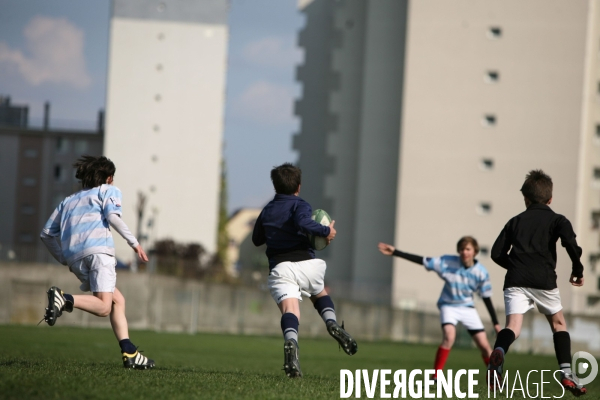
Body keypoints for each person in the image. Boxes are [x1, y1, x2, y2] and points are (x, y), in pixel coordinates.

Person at [39, 155, 155, 370]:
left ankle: (130, 352)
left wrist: (64, 258)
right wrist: (135, 243)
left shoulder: (68, 200)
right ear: (109, 178)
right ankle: (64, 299)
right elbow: (112, 217)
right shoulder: (107, 190)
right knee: (103, 307)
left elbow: (46, 234)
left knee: (116, 301)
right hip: (99, 252)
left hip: (75, 258)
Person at [252, 163, 358, 378]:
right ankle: (331, 323)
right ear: (298, 187)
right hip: (308, 266)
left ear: (275, 186)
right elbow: (302, 223)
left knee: (290, 310)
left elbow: (256, 240)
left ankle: (291, 342)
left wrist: (274, 229)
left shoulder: (267, 210)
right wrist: (327, 231)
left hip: (282, 268)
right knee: (320, 294)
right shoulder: (301, 205)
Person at [488, 170, 586, 395]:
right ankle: (566, 374)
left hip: (515, 280)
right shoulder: (558, 219)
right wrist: (577, 269)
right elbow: (570, 243)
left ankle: (499, 353)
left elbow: (496, 253)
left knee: (512, 327)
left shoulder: (514, 221)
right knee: (559, 324)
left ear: (525, 198)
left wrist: (515, 266)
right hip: (544, 279)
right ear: (550, 198)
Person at [378, 236, 501, 379]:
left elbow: (486, 298)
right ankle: (435, 377)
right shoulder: (447, 262)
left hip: (467, 308)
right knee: (449, 337)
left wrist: (496, 323)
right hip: (448, 305)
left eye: (467, 249)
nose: (464, 252)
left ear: (475, 251)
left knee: (485, 346)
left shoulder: (481, 272)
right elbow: (423, 260)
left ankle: (496, 379)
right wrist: (395, 252)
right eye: (461, 249)